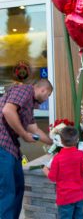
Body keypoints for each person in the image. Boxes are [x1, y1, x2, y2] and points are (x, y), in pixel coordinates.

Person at [0, 78, 53, 219]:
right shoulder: (24, 90)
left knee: (18, 187)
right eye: (48, 96)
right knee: (7, 191)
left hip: (11, 147)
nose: (47, 99)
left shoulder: (29, 105)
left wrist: (54, 143)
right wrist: (23, 134)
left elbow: (34, 129)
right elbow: (7, 110)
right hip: (2, 144)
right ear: (43, 90)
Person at [43, 126, 83, 219]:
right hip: (78, 196)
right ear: (77, 140)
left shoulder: (57, 158)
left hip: (64, 198)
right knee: (79, 216)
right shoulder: (81, 155)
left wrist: (45, 170)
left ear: (61, 140)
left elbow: (52, 177)